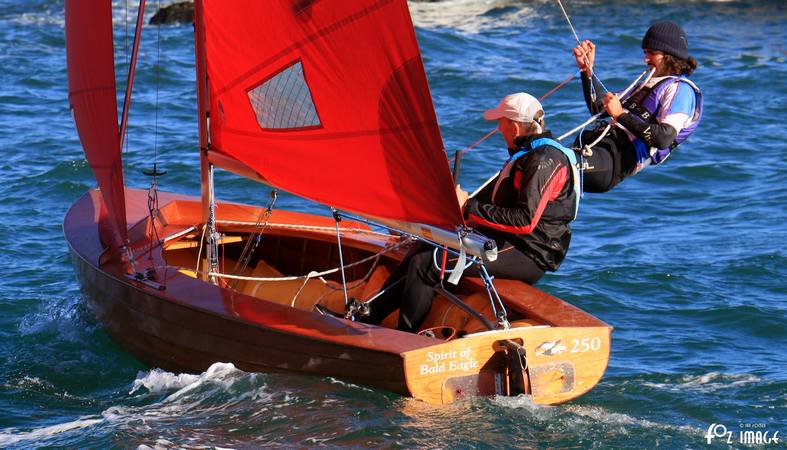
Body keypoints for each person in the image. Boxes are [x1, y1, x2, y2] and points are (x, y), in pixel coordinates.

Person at [365, 93, 580, 332]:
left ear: (515, 127)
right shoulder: (528, 154)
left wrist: (468, 207)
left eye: (501, 122)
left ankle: (405, 336)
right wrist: (455, 210)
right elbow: (491, 202)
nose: (498, 128)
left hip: (529, 253)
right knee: (425, 246)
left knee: (430, 262)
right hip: (506, 242)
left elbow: (524, 222)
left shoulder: (543, 160)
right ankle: (368, 317)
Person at [572, 20, 704, 192]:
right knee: (535, 158)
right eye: (645, 52)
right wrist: (587, 70)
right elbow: (597, 108)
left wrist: (620, 115)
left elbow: (663, 138)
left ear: (669, 56)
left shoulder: (681, 90)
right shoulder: (644, 85)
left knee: (554, 164)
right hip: (596, 149)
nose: (645, 59)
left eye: (651, 53)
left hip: (615, 160)